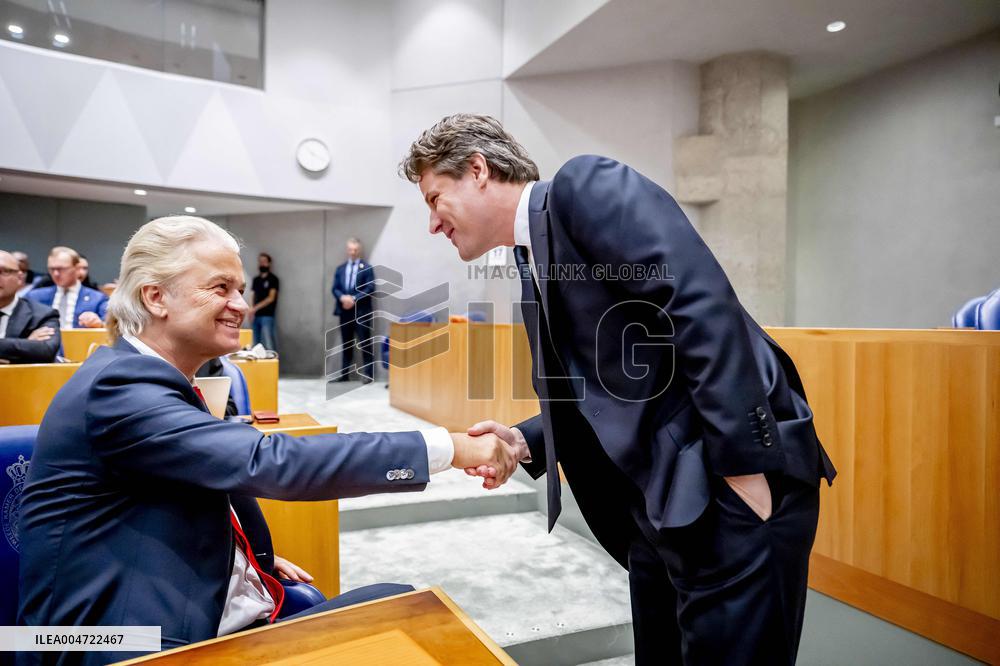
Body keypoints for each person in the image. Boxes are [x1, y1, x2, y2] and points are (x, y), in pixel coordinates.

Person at [401, 114, 836, 666]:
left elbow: (702, 309)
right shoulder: (528, 253)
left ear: (478, 170)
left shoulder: (585, 186)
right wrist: (522, 439)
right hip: (660, 508)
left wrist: (745, 475)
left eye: (434, 198)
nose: (433, 224)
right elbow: (601, 386)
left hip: (727, 487)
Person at [17, 216, 519, 665]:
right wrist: (449, 448)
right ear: (155, 297)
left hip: (201, 601)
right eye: (220, 287)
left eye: (239, 288)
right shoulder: (118, 388)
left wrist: (243, 555)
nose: (240, 304)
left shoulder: (150, 378)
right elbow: (270, 461)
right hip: (121, 642)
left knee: (401, 605)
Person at [0, 250, 61, 363]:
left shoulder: (42, 314)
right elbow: (32, 350)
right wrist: (25, 343)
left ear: (20, 278)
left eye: (4, 272)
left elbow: (46, 350)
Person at [24, 246, 107, 329]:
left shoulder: (98, 298)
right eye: (52, 269)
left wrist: (99, 324)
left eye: (61, 269)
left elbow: (111, 325)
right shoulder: (34, 297)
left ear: (77, 268)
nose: (56, 274)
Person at [331, 238, 375, 382]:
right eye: (350, 249)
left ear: (359, 250)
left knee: (365, 342)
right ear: (347, 250)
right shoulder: (340, 269)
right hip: (345, 312)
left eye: (355, 249)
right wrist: (343, 298)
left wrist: (354, 299)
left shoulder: (367, 267)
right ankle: (345, 375)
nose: (353, 252)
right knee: (346, 344)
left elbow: (370, 288)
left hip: (361, 312)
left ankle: (368, 375)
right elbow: (335, 288)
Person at [249, 252, 279, 351]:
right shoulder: (256, 280)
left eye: (264, 261)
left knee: (269, 344)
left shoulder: (273, 279)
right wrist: (250, 310)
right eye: (260, 261)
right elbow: (252, 295)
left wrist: (254, 308)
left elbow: (271, 298)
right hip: (256, 316)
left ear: (269, 263)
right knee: (255, 345)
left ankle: (274, 365)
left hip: (267, 316)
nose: (262, 264)